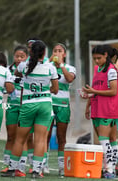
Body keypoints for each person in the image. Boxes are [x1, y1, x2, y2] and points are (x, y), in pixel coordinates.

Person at [2, 40, 58, 179]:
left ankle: (12, 169)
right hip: (44, 104)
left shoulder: (23, 66)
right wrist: (44, 91)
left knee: (20, 139)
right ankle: (36, 171)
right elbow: (55, 90)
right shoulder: (51, 68)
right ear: (44, 53)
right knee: (40, 140)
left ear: (30, 53)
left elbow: (16, 74)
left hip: (27, 105)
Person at [83, 45, 118, 179]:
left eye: (99, 58)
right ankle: (109, 168)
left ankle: (109, 169)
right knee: (108, 139)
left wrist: (93, 92)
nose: (96, 61)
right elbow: (95, 88)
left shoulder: (111, 71)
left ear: (106, 55)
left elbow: (113, 91)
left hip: (109, 109)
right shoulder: (96, 69)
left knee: (107, 140)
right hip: (97, 107)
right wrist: (88, 102)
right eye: (94, 59)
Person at [47, 43, 76, 176]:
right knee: (45, 136)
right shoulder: (47, 67)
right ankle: (43, 164)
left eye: (60, 51)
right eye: (55, 51)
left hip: (63, 105)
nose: (57, 53)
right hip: (48, 104)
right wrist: (49, 60)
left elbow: (69, 79)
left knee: (61, 136)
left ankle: (62, 167)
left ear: (64, 54)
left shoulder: (70, 68)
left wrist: (61, 65)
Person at [1, 45, 29, 177]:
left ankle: (21, 167)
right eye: (17, 56)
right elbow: (4, 88)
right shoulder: (8, 70)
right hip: (11, 106)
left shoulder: (30, 69)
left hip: (26, 107)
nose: (19, 59)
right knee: (11, 136)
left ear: (27, 57)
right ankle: (7, 165)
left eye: (22, 56)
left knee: (22, 137)